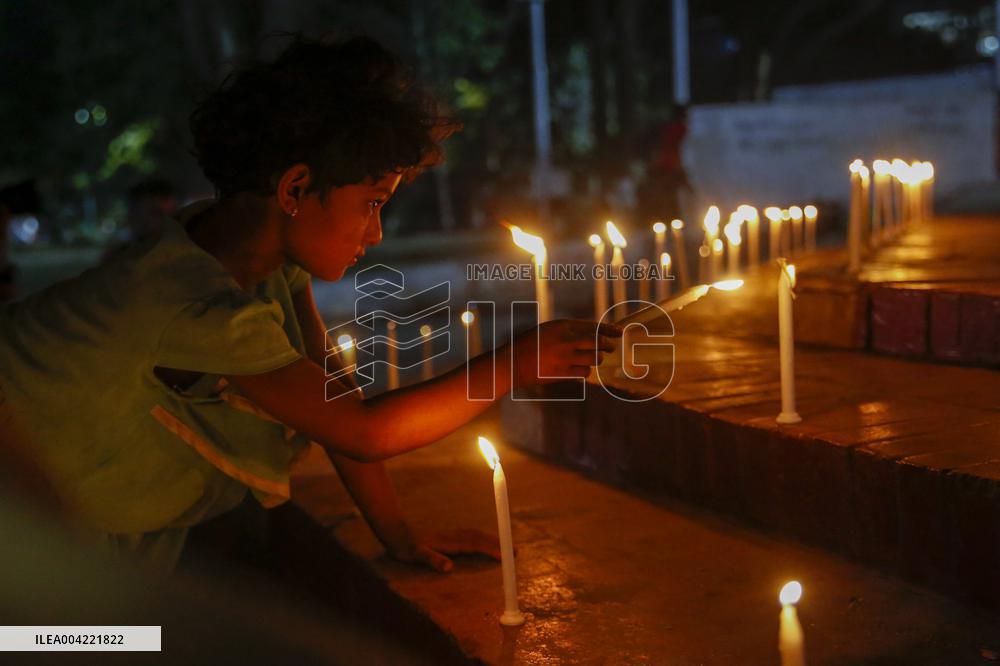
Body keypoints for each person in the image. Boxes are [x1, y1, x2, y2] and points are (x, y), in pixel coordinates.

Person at [0, 36, 620, 573]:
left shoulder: (240, 253)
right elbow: (366, 431)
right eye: (372, 203)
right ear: (295, 188)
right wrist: (514, 364)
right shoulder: (196, 303)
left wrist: (400, 538)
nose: (376, 232)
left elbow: (334, 397)